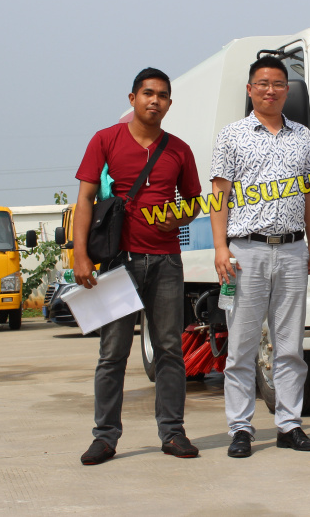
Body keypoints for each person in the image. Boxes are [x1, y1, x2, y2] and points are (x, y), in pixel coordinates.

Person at [73, 67, 203, 465]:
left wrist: (178, 218)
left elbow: (195, 201)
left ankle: (173, 433)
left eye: (163, 95)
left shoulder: (179, 149)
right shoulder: (105, 140)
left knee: (169, 351)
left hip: (165, 261)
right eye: (148, 93)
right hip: (117, 263)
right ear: (132, 99)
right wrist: (80, 255)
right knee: (112, 352)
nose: (155, 101)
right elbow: (85, 200)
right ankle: (105, 437)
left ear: (169, 103)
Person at [210, 56, 310, 458]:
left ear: (287, 91)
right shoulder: (232, 136)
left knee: (290, 345)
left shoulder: (303, 137)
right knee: (241, 346)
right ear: (250, 90)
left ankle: (289, 425)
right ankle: (240, 428)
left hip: (292, 251)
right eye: (263, 83)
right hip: (246, 251)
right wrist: (221, 247)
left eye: (278, 84)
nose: (270, 90)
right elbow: (219, 194)